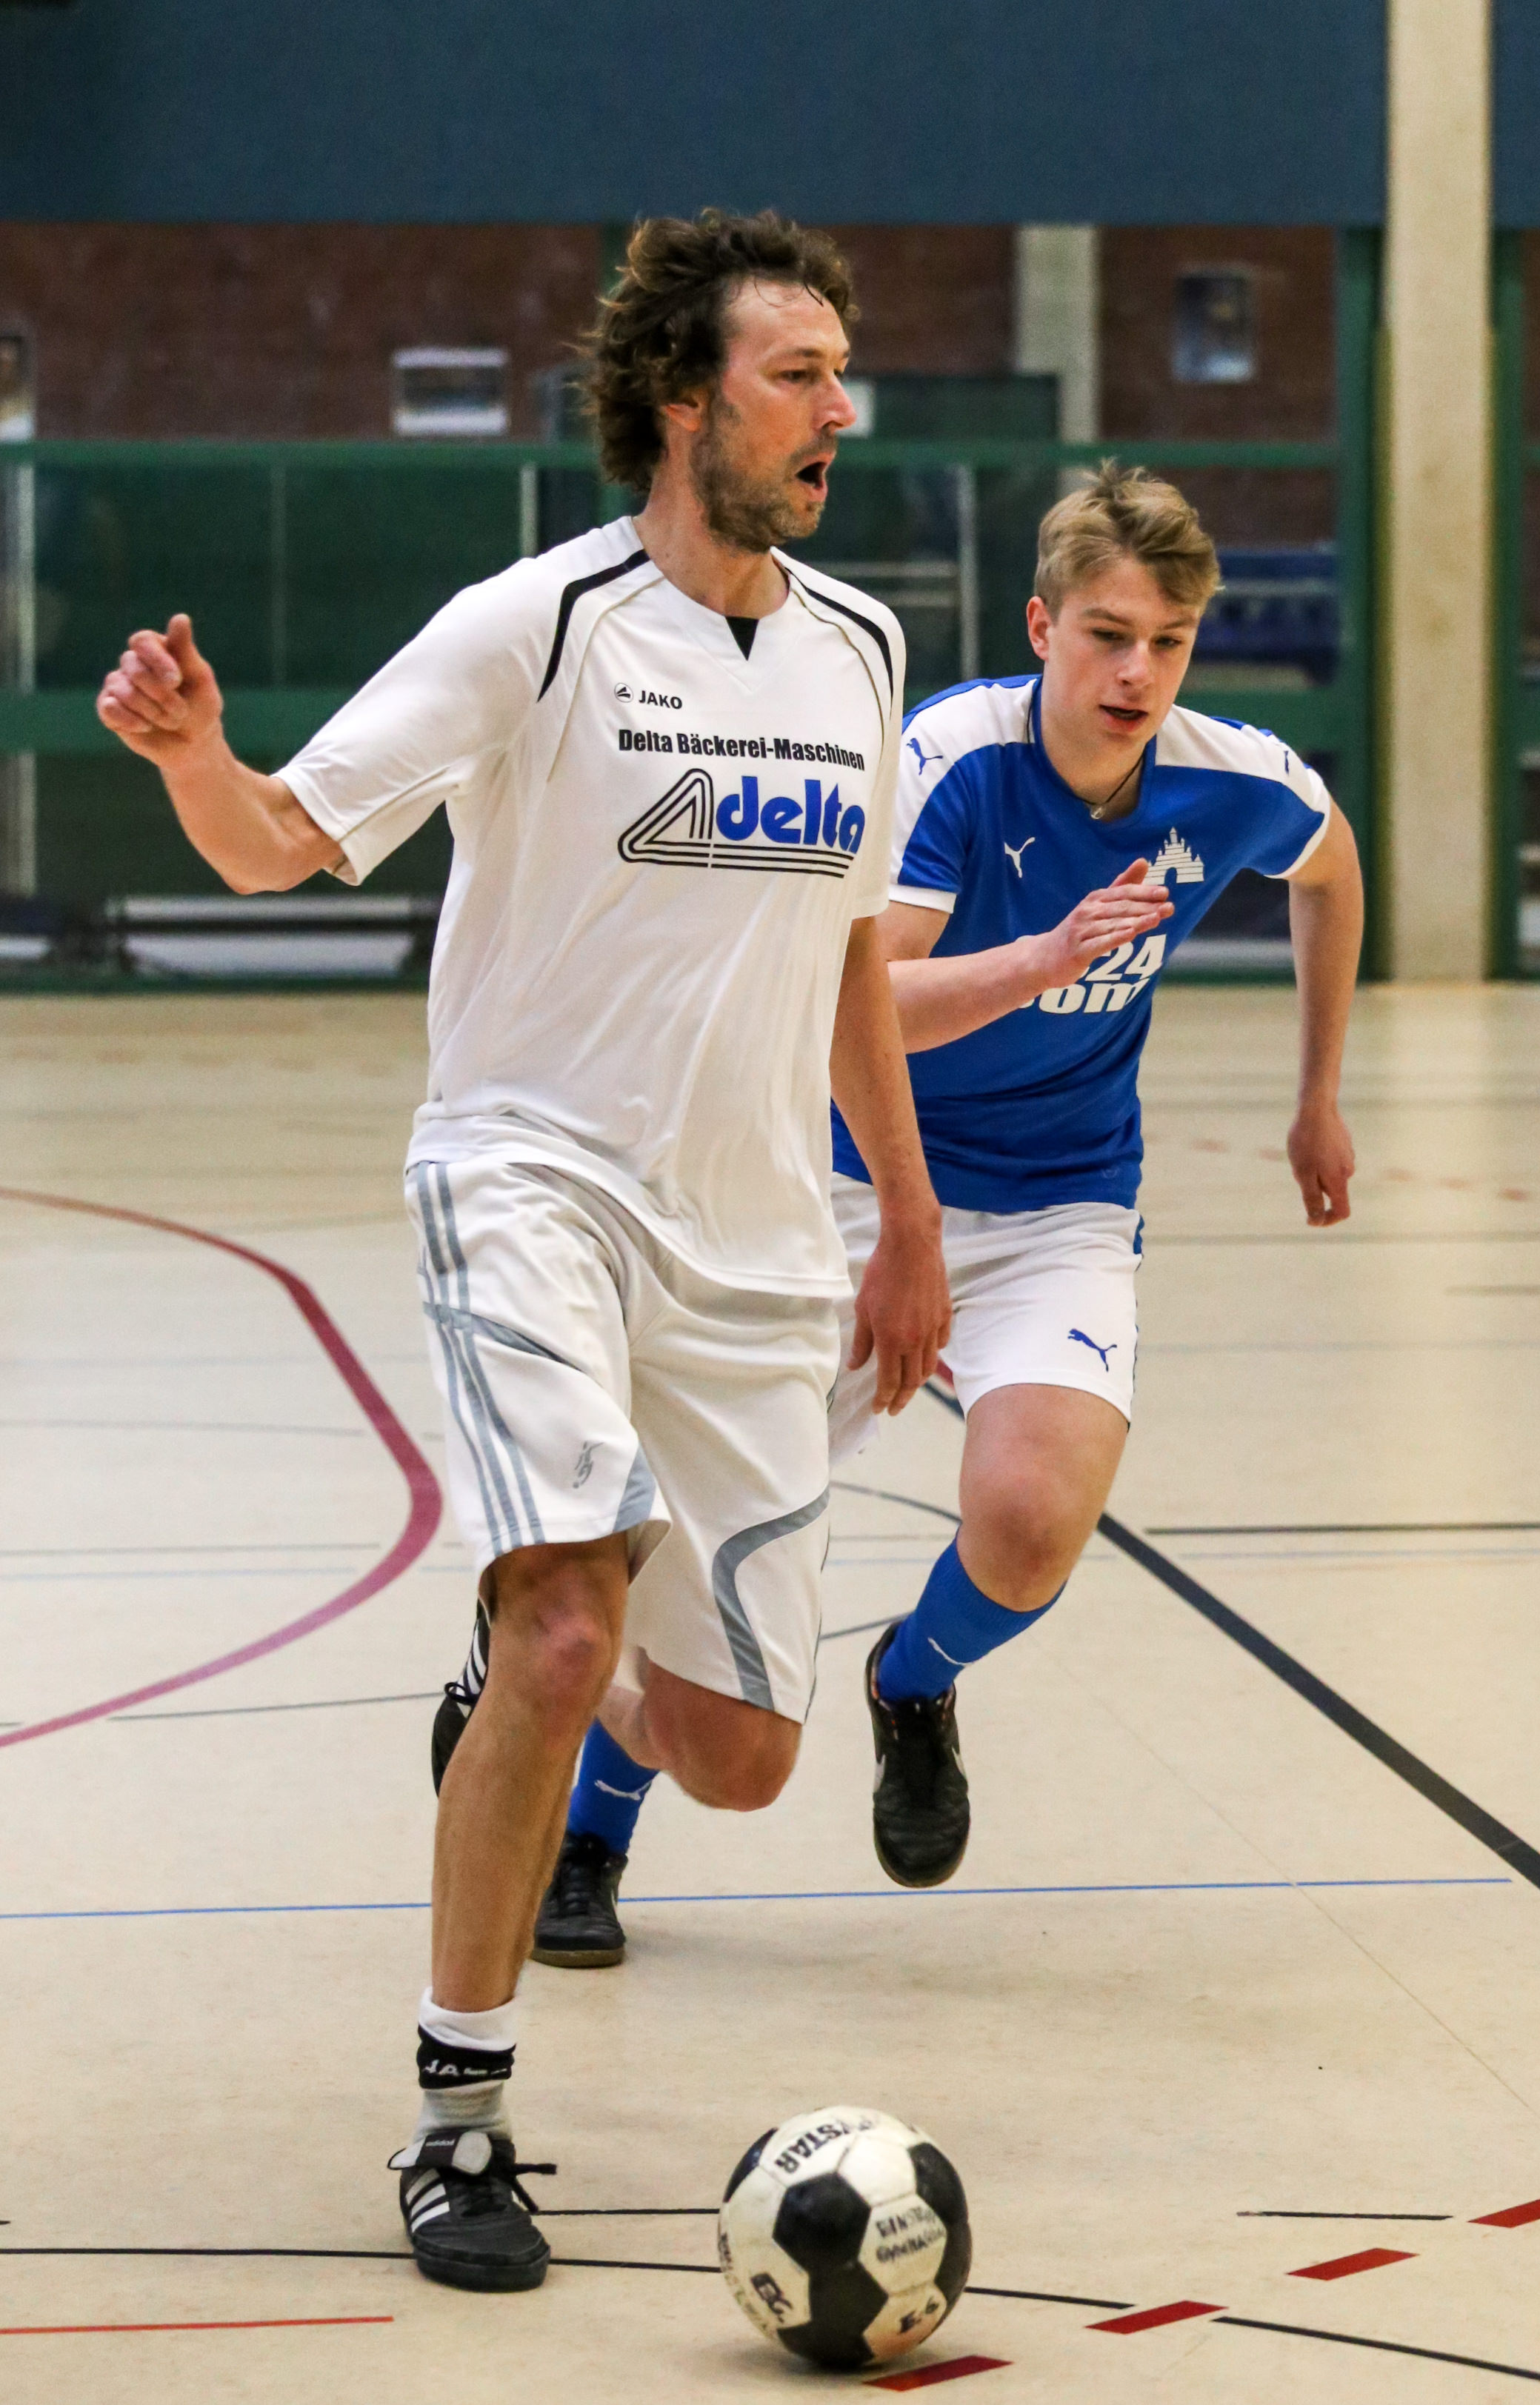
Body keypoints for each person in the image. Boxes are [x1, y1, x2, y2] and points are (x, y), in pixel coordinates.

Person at [93, 208, 950, 2296]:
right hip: (531, 1180)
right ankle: (459, 2118)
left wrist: (907, 1215)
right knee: (571, 1631)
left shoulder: (858, 649)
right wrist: (195, 754)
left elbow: (853, 945)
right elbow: (282, 838)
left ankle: (519, 1661)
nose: (838, 410)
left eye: (840, 374)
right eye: (797, 373)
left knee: (739, 1754)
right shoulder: (535, 625)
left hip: (758, 1236)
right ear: (679, 399)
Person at [447, 462, 1361, 1950]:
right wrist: (1044, 958)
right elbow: (856, 996)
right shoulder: (946, 759)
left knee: (1030, 1521)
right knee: (682, 1550)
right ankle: (591, 1832)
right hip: (846, 1189)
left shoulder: (1231, 779)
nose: (1136, 675)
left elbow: (1330, 866)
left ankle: (912, 1679)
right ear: (1042, 627)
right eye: (1106, 636)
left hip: (1062, 1202)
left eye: (1168, 643)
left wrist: (1317, 1088)